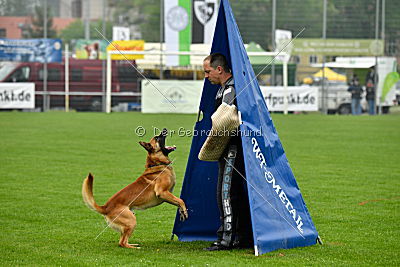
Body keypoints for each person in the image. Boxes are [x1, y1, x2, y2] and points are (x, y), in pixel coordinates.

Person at [202, 53, 253, 251]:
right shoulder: (223, 88)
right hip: (229, 147)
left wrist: (213, 142)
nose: (206, 76)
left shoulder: (230, 89)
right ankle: (242, 236)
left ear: (219, 69)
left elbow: (227, 120)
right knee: (233, 192)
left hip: (232, 147)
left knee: (226, 193)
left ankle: (227, 239)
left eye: (208, 71)